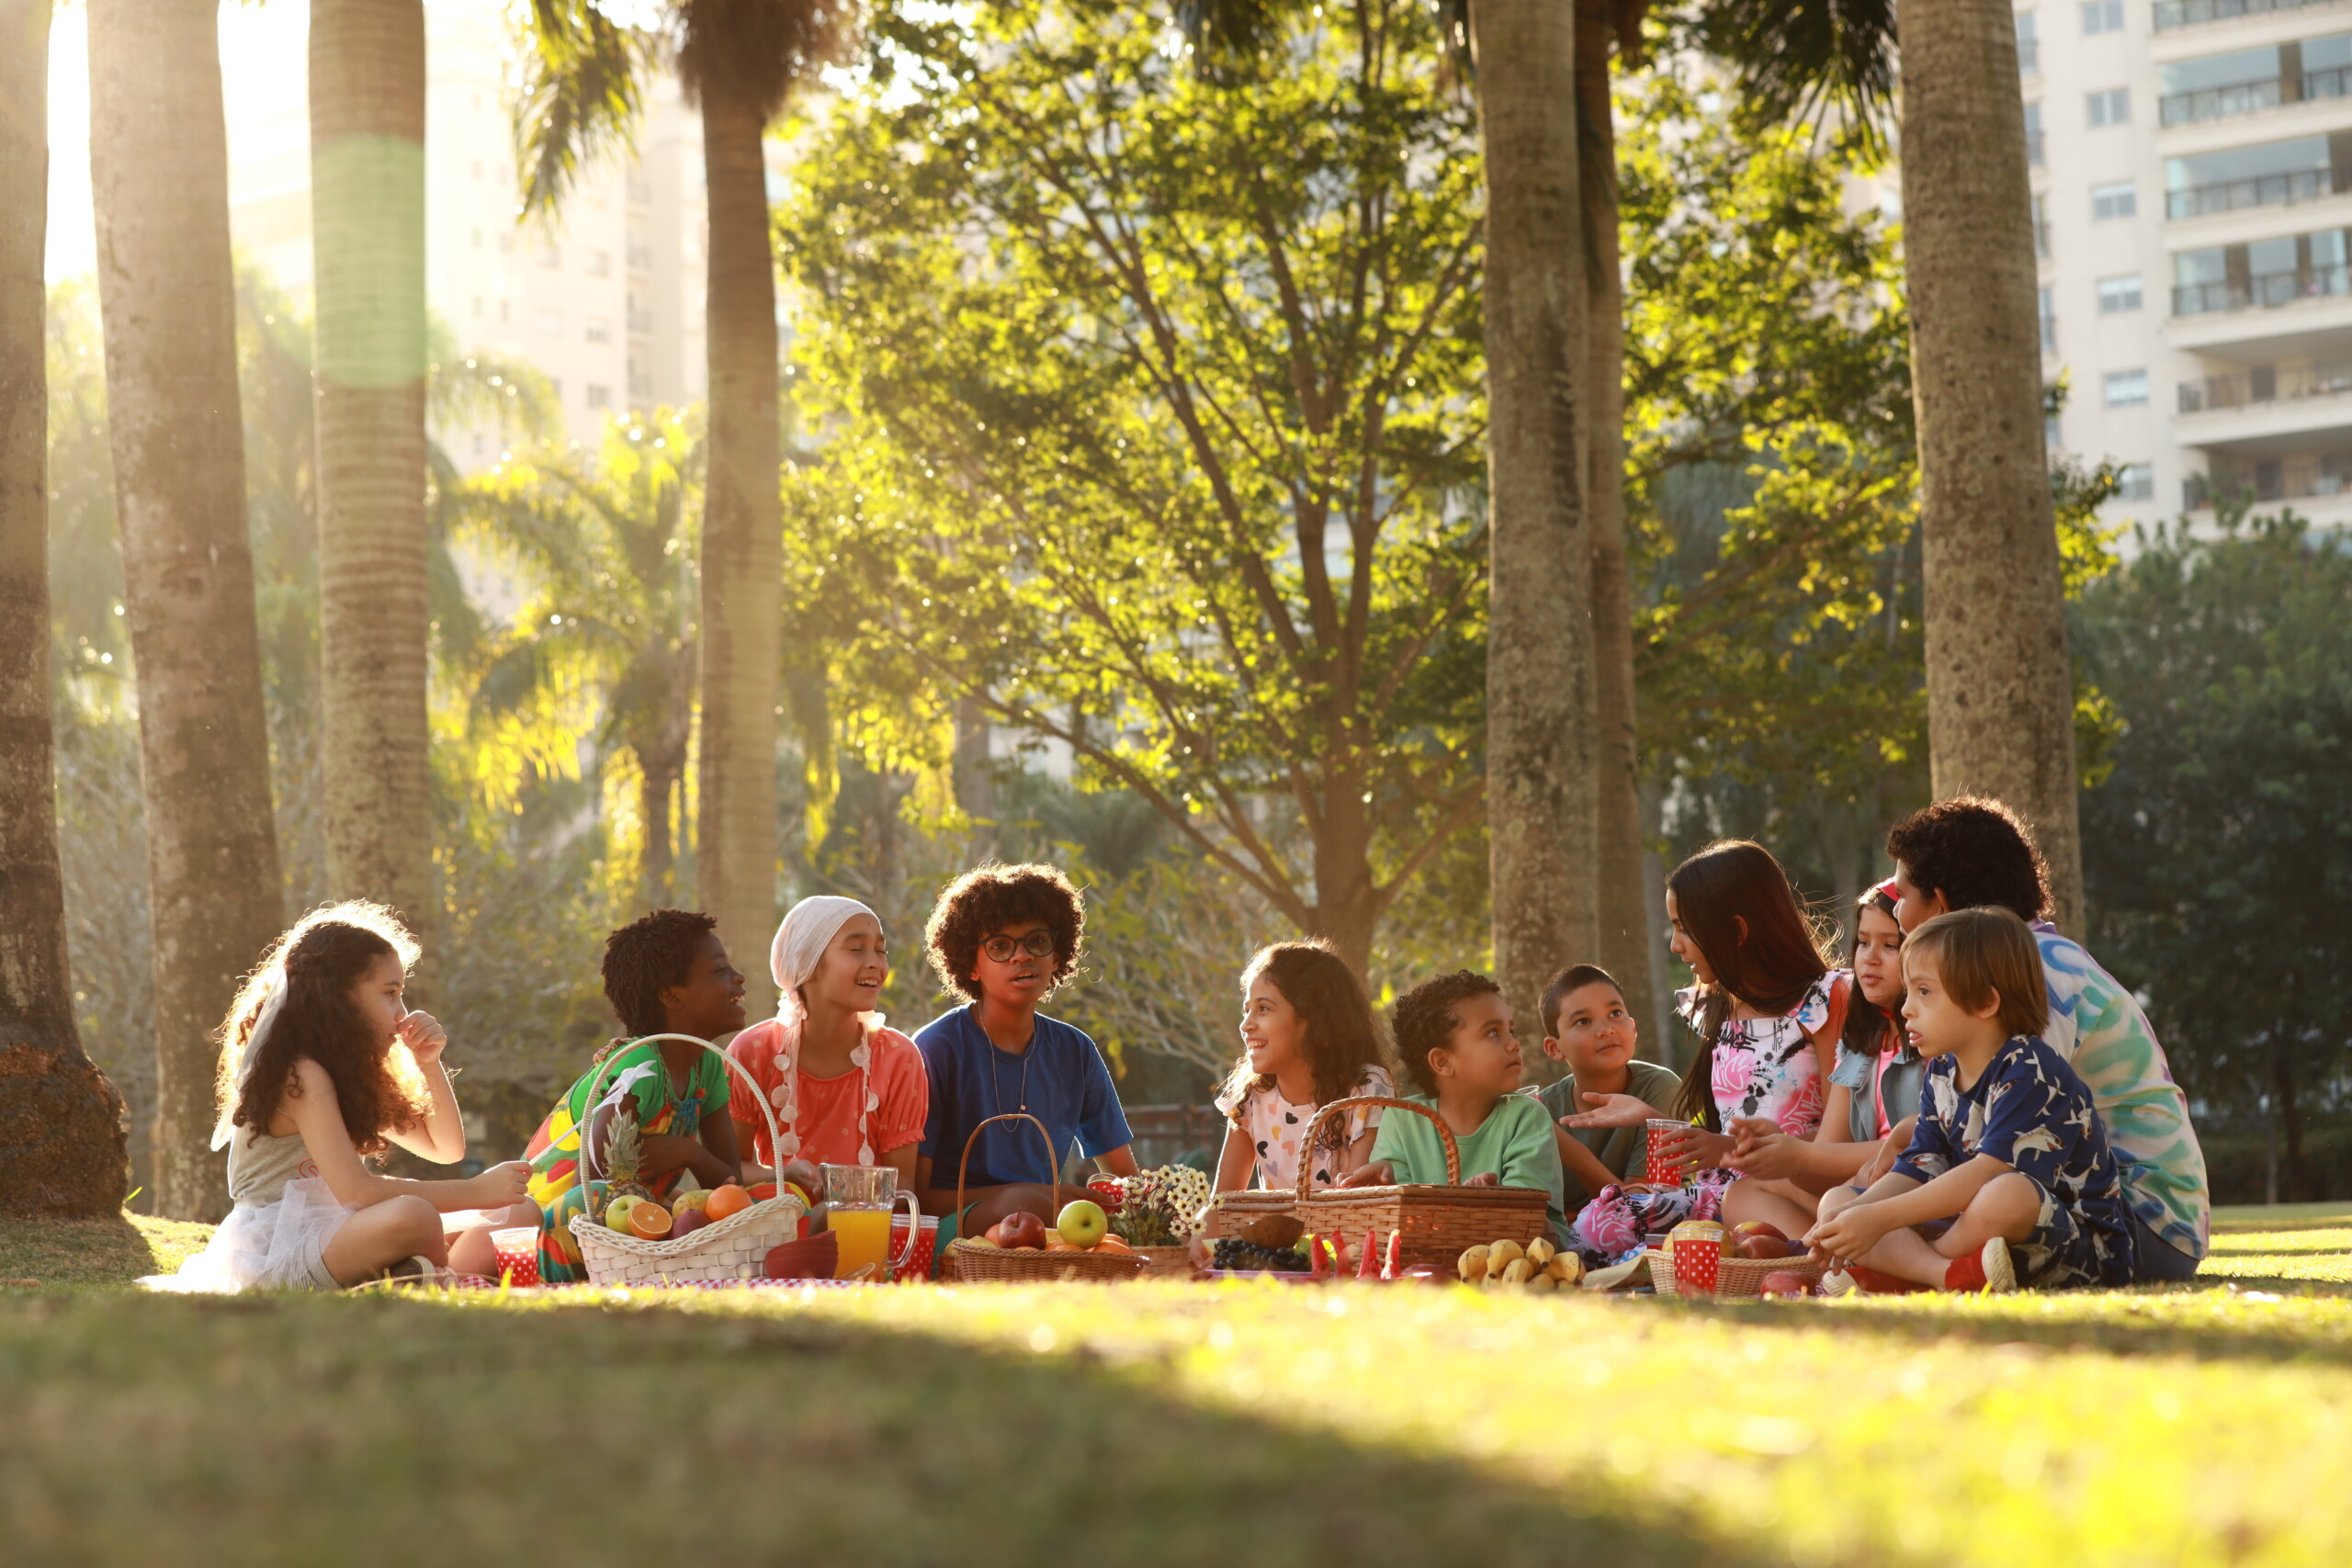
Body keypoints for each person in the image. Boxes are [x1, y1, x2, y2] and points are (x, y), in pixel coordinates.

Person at [1884, 796, 2209, 1284]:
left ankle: (1917, 1270)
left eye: (1903, 895)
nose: (1897, 912)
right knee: (1869, 1200)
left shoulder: (2039, 975)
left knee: (1947, 1200)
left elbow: (2006, 1150)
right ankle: (1928, 1266)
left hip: (2133, 1224)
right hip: (2052, 1198)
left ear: (1942, 903)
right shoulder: (2031, 961)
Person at [153, 903, 531, 1292]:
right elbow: (358, 1192)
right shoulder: (299, 1075)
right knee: (414, 1215)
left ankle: (420, 1273)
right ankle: (431, 1276)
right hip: (280, 1246)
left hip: (346, 1230)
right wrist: (473, 1191)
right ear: (337, 998)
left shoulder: (353, 1074)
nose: (402, 1014)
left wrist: (429, 1063)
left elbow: (446, 1149)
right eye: (390, 993)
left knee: (519, 1210)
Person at [1806, 907, 2136, 1293]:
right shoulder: (1942, 1069)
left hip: (2074, 1250)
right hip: (1976, 1238)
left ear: (1984, 1002)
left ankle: (1904, 1273)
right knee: (1837, 1201)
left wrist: (1878, 1219)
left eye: (1924, 992)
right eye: (1909, 990)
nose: (1906, 1007)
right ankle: (1943, 1274)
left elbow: (1987, 1172)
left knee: (2007, 1192)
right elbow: (1920, 1164)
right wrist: (1854, 1215)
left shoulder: (2031, 1070)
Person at [1562, 840, 1849, 1260]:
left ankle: (1807, 1261)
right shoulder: (1717, 1006)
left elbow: (1839, 1140)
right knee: (1596, 1227)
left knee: (1742, 1205)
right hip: (1722, 1186)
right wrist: (1655, 1121)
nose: (1676, 945)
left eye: (1684, 928)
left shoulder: (1825, 1000)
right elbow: (1721, 1134)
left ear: (1735, 930)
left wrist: (1730, 1151)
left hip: (1797, 1184)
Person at [910, 864, 1137, 1253]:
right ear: (970, 964)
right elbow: (916, 1198)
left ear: (1058, 953)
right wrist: (1028, 1194)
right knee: (1029, 1205)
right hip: (952, 1232)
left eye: (1037, 941)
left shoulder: (1075, 1050)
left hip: (1045, 1226)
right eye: (1000, 946)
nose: (1022, 957)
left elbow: (1127, 1179)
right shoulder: (935, 1048)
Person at [521, 908, 750, 1284]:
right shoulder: (638, 1066)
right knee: (595, 1198)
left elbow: (728, 1182)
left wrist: (687, 1152)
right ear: (672, 996)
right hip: (549, 1225)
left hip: (628, 1221)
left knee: (747, 1206)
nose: (738, 978)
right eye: (720, 970)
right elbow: (596, 1184)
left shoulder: (707, 1068)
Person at [1715, 881, 1918, 1238]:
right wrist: (1780, 1152)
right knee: (1743, 1192)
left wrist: (1799, 1156)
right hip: (1860, 1190)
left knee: (1842, 1198)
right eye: (1863, 942)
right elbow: (1828, 1155)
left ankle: (1836, 1260)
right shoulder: (1861, 1043)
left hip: (1915, 1192)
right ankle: (1823, 1264)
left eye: (1890, 945)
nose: (1870, 957)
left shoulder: (1934, 1038)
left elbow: (1924, 1143)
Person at [1342, 971, 1568, 1247]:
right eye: (1493, 1033)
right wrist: (1383, 1187)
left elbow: (1531, 1226)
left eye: (1511, 1030)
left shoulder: (1527, 1116)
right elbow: (1400, 1225)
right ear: (1442, 1061)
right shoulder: (1403, 1119)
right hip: (1427, 1260)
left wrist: (1496, 1201)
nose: (1514, 1044)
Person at [726, 897, 929, 1194]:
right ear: (807, 961)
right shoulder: (753, 1052)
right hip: (774, 1233)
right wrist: (783, 1175)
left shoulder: (898, 1058)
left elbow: (902, 1188)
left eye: (880, 950)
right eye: (856, 949)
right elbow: (727, 1174)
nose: (875, 962)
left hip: (865, 1236)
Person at [1212, 941, 1394, 1194]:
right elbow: (1221, 1204)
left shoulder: (1365, 1087)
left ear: (1312, 1019)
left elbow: (1355, 1202)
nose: (1246, 1025)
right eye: (1246, 1010)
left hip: (1341, 1231)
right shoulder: (1250, 1097)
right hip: (1274, 1235)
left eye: (1263, 1009)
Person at [1527, 964, 1680, 1209]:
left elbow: (1641, 1208)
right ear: (1554, 1048)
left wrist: (1575, 1157)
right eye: (1583, 1021)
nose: (1606, 1029)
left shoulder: (1660, 1088)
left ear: (1633, 1027)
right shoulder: (1542, 1111)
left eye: (1615, 1014)